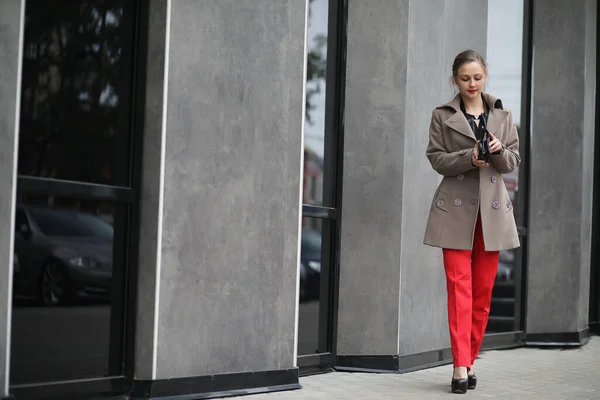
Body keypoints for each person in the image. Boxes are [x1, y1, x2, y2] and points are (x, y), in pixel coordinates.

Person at [423, 49, 520, 394]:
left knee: (481, 294)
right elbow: (436, 159)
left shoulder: (502, 115)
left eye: (477, 77)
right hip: (455, 213)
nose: (472, 84)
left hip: (492, 215)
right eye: (465, 78)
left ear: (486, 77)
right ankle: (459, 367)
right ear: (455, 80)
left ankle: (470, 358)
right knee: (458, 291)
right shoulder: (442, 115)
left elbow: (511, 162)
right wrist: (469, 157)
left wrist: (495, 150)